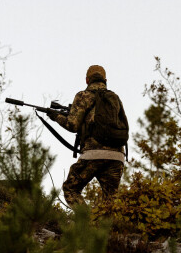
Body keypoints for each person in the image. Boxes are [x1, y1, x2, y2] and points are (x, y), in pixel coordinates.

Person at [46, 64, 128, 206]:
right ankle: (109, 227)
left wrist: (56, 117)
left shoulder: (83, 95)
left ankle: (87, 224)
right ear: (105, 80)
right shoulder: (115, 98)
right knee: (111, 201)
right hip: (117, 156)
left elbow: (72, 125)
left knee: (71, 189)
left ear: (87, 80)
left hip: (93, 153)